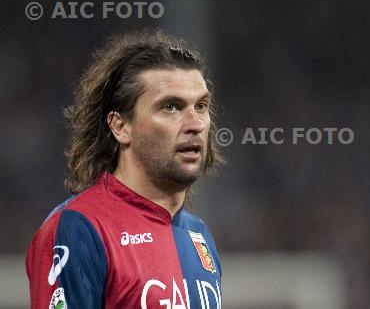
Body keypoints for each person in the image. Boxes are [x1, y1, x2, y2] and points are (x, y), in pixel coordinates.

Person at [25, 30, 224, 309]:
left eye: (201, 106)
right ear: (120, 126)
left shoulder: (198, 234)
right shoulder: (79, 228)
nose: (196, 124)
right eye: (171, 107)